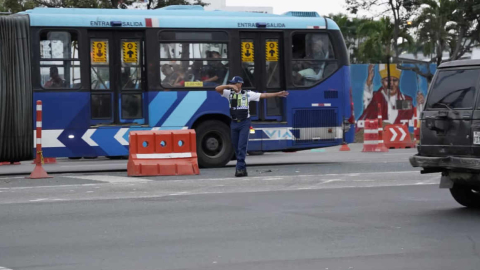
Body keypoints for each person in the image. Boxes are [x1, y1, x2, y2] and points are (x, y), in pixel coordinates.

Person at [215, 76, 289, 177]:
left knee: (242, 146)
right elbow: (217, 89)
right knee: (236, 147)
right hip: (234, 123)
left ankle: (240, 169)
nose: (233, 85)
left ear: (240, 84)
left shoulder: (248, 94)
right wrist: (229, 86)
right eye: (232, 83)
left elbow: (264, 95)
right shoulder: (229, 94)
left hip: (244, 123)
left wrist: (277, 94)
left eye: (234, 83)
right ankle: (243, 168)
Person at [359, 64, 425, 125]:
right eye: (387, 80)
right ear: (382, 82)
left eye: (395, 80)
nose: (391, 84)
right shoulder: (376, 97)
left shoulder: (404, 100)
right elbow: (367, 103)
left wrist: (419, 105)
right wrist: (369, 81)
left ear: (398, 82)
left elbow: (413, 122)